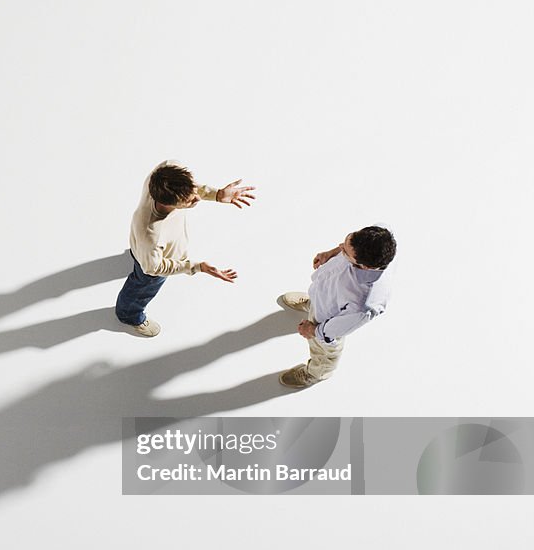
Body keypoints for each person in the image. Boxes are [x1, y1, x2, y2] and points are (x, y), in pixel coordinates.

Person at [114, 160, 256, 337]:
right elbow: (153, 267)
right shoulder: (151, 233)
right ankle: (129, 315)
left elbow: (193, 188)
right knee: (143, 285)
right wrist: (195, 267)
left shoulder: (164, 171)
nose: (197, 198)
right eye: (189, 202)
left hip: (146, 250)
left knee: (144, 255)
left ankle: (139, 255)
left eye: (194, 193)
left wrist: (217, 194)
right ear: (169, 204)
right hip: (151, 263)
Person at [277, 226, 396, 387]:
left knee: (324, 353)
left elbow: (336, 329)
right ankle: (312, 303)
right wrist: (331, 253)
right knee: (320, 300)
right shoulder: (376, 239)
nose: (341, 248)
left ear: (365, 267)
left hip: (325, 322)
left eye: (345, 252)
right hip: (324, 297)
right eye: (345, 241)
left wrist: (313, 330)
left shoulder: (365, 304)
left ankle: (317, 373)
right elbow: (346, 247)